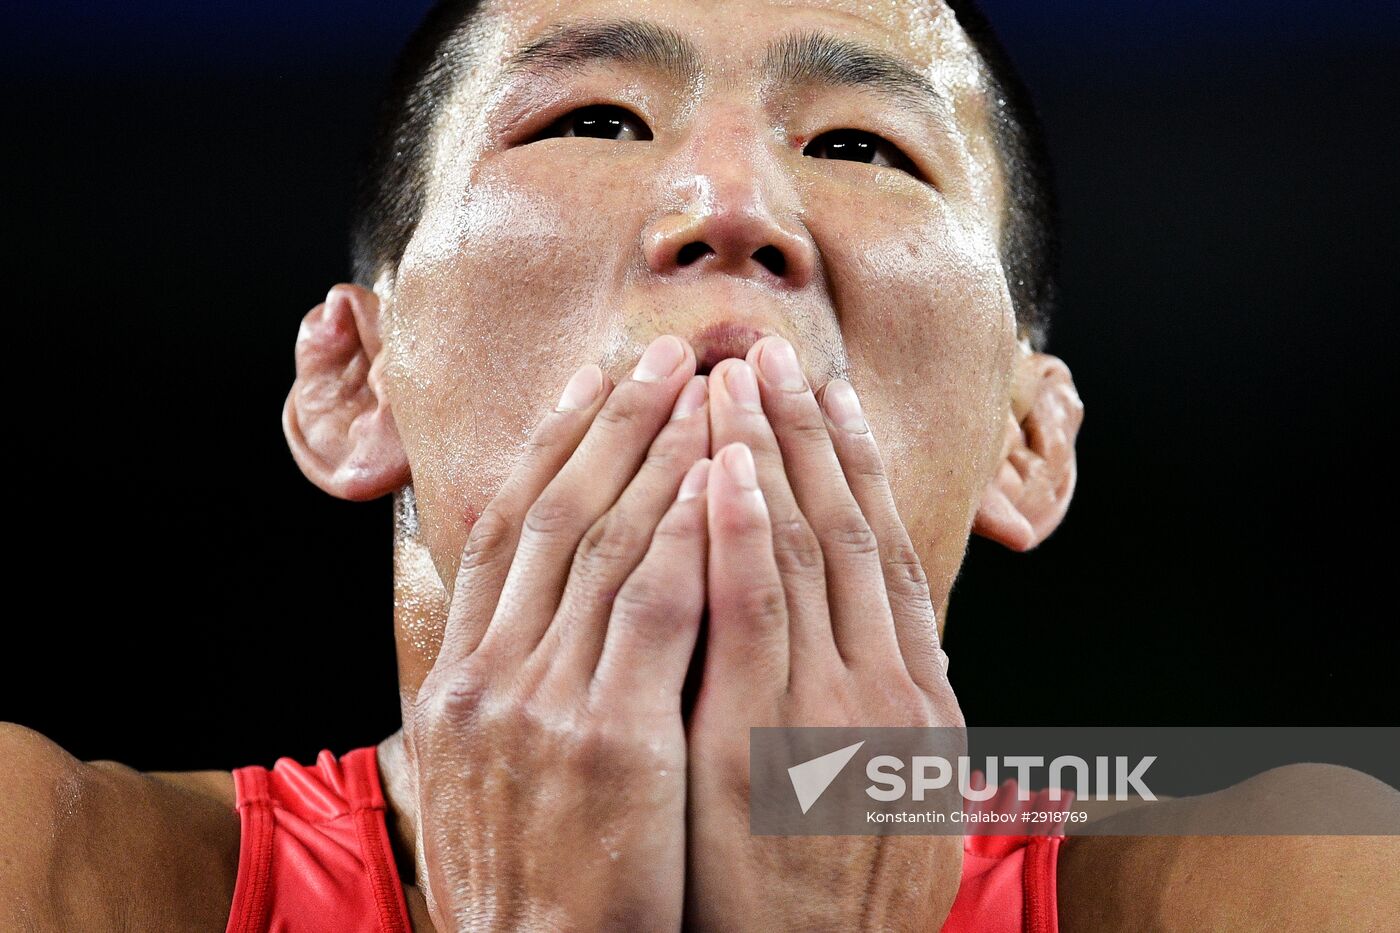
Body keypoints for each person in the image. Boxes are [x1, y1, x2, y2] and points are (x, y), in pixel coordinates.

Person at [2, 0, 1396, 930]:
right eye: (594, 120)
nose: (728, 206)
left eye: (862, 143)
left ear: (1030, 437)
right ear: (353, 379)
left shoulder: (1290, 859)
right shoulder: (47, 854)